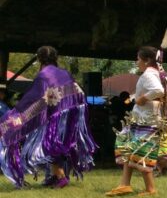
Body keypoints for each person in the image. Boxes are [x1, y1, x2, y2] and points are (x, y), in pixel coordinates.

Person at [0, 46, 96, 188]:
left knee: (48, 143)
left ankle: (61, 177)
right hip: (76, 111)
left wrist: (14, 116)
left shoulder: (43, 75)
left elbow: (33, 100)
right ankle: (55, 176)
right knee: (60, 143)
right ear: (55, 58)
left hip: (60, 113)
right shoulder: (64, 73)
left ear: (39, 59)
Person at [107, 46, 167, 197]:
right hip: (143, 118)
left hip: (146, 119)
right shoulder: (157, 73)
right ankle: (124, 184)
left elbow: (159, 91)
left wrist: (143, 98)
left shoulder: (149, 74)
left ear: (147, 60)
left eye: (138, 59)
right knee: (128, 146)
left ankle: (150, 189)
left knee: (141, 151)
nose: (137, 62)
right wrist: (136, 96)